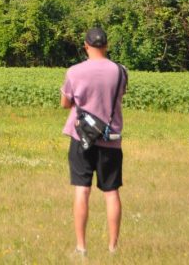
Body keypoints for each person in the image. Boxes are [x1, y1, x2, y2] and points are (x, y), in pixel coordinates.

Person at [60, 27, 127, 257]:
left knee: (82, 189)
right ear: (106, 46)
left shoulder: (74, 71)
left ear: (86, 46)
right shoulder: (120, 71)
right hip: (111, 139)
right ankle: (113, 248)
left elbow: (65, 103)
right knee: (111, 192)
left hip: (81, 137)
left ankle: (81, 247)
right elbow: (120, 95)